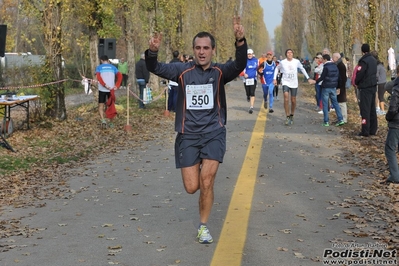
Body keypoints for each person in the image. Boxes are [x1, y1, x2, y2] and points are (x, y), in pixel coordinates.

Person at [144, 17, 247, 244]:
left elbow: (240, 65)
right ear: (193, 50)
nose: (202, 52)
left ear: (213, 50)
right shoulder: (182, 71)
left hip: (213, 133)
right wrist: (152, 52)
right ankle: (202, 180)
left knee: (207, 181)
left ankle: (203, 226)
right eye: (198, 48)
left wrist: (240, 40)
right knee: (192, 187)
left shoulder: (221, 72)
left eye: (206, 48)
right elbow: (155, 67)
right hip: (188, 135)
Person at [273, 49, 315, 125]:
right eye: (288, 52)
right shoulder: (282, 62)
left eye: (291, 52)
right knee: (286, 98)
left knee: (293, 100)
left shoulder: (296, 62)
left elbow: (302, 69)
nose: (289, 54)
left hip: (294, 83)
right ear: (286, 54)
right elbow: (276, 68)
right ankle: (287, 116)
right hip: (285, 82)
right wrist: (274, 78)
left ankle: (292, 114)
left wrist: (308, 78)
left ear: (293, 54)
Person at [355, 43, 378, 137]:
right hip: (373, 86)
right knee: (372, 109)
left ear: (362, 51)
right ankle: (373, 129)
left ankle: (365, 130)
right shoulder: (373, 60)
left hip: (365, 87)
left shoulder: (363, 61)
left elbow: (360, 73)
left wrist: (356, 81)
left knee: (365, 110)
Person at [317, 54, 345, 127]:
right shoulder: (335, 66)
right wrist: (338, 87)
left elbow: (322, 77)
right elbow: (339, 78)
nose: (322, 61)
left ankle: (326, 121)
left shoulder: (326, 67)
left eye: (322, 59)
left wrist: (315, 81)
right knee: (335, 103)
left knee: (325, 104)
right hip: (333, 88)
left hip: (326, 87)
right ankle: (341, 119)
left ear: (325, 59)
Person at [382, 67, 399, 185]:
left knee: (390, 148)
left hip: (396, 122)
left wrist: (388, 117)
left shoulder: (396, 88)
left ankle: (395, 175)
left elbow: (393, 107)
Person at [95, 55, 122, 126]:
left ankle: (103, 120)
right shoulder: (113, 67)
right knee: (111, 106)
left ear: (101, 60)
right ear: (108, 60)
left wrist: (104, 84)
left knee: (101, 105)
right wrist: (117, 85)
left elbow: (98, 77)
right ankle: (111, 122)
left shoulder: (99, 68)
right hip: (111, 89)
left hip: (102, 89)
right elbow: (120, 76)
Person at [332, 52, 348, 123]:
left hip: (341, 87)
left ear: (337, 58)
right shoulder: (337, 65)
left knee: (342, 103)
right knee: (338, 102)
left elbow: (342, 78)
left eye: (333, 57)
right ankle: (339, 117)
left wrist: (339, 87)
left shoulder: (341, 66)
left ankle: (344, 118)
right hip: (338, 86)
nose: (332, 59)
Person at [371, 51, 387, 115]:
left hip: (380, 82)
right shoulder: (381, 65)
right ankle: (380, 109)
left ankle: (382, 110)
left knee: (380, 97)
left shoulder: (377, 66)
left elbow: (376, 75)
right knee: (381, 96)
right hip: (384, 81)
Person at [244, 48, 258, 114]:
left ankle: (251, 107)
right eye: (248, 54)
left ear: (253, 54)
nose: (249, 55)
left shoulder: (256, 61)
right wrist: (244, 74)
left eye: (250, 54)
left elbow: (259, 68)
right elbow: (241, 69)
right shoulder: (244, 61)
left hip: (253, 79)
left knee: (252, 92)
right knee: (248, 92)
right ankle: (247, 96)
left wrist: (259, 74)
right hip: (246, 79)